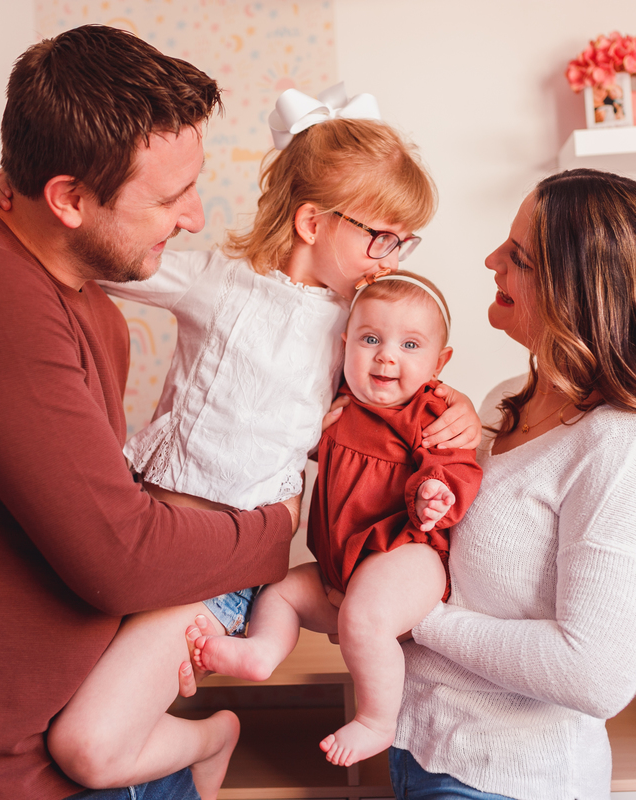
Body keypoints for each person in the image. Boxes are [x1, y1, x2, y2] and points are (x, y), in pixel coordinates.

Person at [0, 26, 303, 800]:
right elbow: (124, 556)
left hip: (96, 745)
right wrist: (278, 529)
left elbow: (107, 524)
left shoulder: (86, 304)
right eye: (170, 197)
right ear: (68, 198)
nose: (194, 219)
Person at [0, 90, 482, 796]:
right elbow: (97, 258)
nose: (389, 257)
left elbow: (404, 385)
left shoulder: (353, 331)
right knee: (39, 707)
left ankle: (212, 738)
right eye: (382, 236)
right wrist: (20, 197)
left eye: (403, 241)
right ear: (312, 222)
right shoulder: (218, 281)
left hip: (218, 568)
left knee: (86, 746)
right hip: (137, 538)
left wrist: (453, 404)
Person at [387, 169, 636, 800]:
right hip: (422, 747)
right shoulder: (501, 407)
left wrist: (419, 620)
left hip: (506, 779)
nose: (491, 259)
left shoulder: (618, 444)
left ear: (576, 294)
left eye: (517, 257)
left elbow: (596, 673)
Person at [192, 270, 483, 769]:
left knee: (365, 616)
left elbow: (456, 464)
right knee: (279, 590)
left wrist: (436, 489)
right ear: (345, 345)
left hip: (406, 557)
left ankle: (376, 720)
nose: (386, 355)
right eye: (371, 339)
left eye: (410, 345)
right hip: (339, 570)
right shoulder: (335, 403)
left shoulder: (429, 413)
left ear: (440, 363)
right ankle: (261, 651)